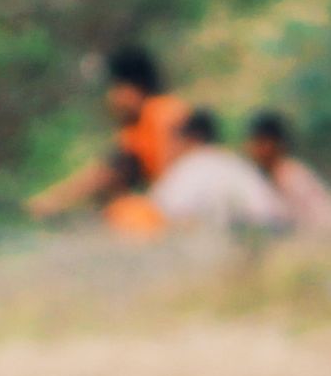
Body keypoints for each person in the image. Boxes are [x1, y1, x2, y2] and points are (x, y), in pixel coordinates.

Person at [24, 41, 189, 223]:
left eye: (115, 88)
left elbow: (106, 174)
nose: (111, 98)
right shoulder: (135, 128)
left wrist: (52, 200)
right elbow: (109, 171)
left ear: (133, 87)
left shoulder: (162, 112)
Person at [145, 109, 286, 235]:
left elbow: (157, 210)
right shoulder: (237, 163)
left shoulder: (189, 166)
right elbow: (272, 210)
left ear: (190, 139)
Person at [243, 111, 331, 239]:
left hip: (330, 239)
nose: (252, 149)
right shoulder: (274, 174)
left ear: (277, 144)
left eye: (260, 143)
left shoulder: (289, 175)